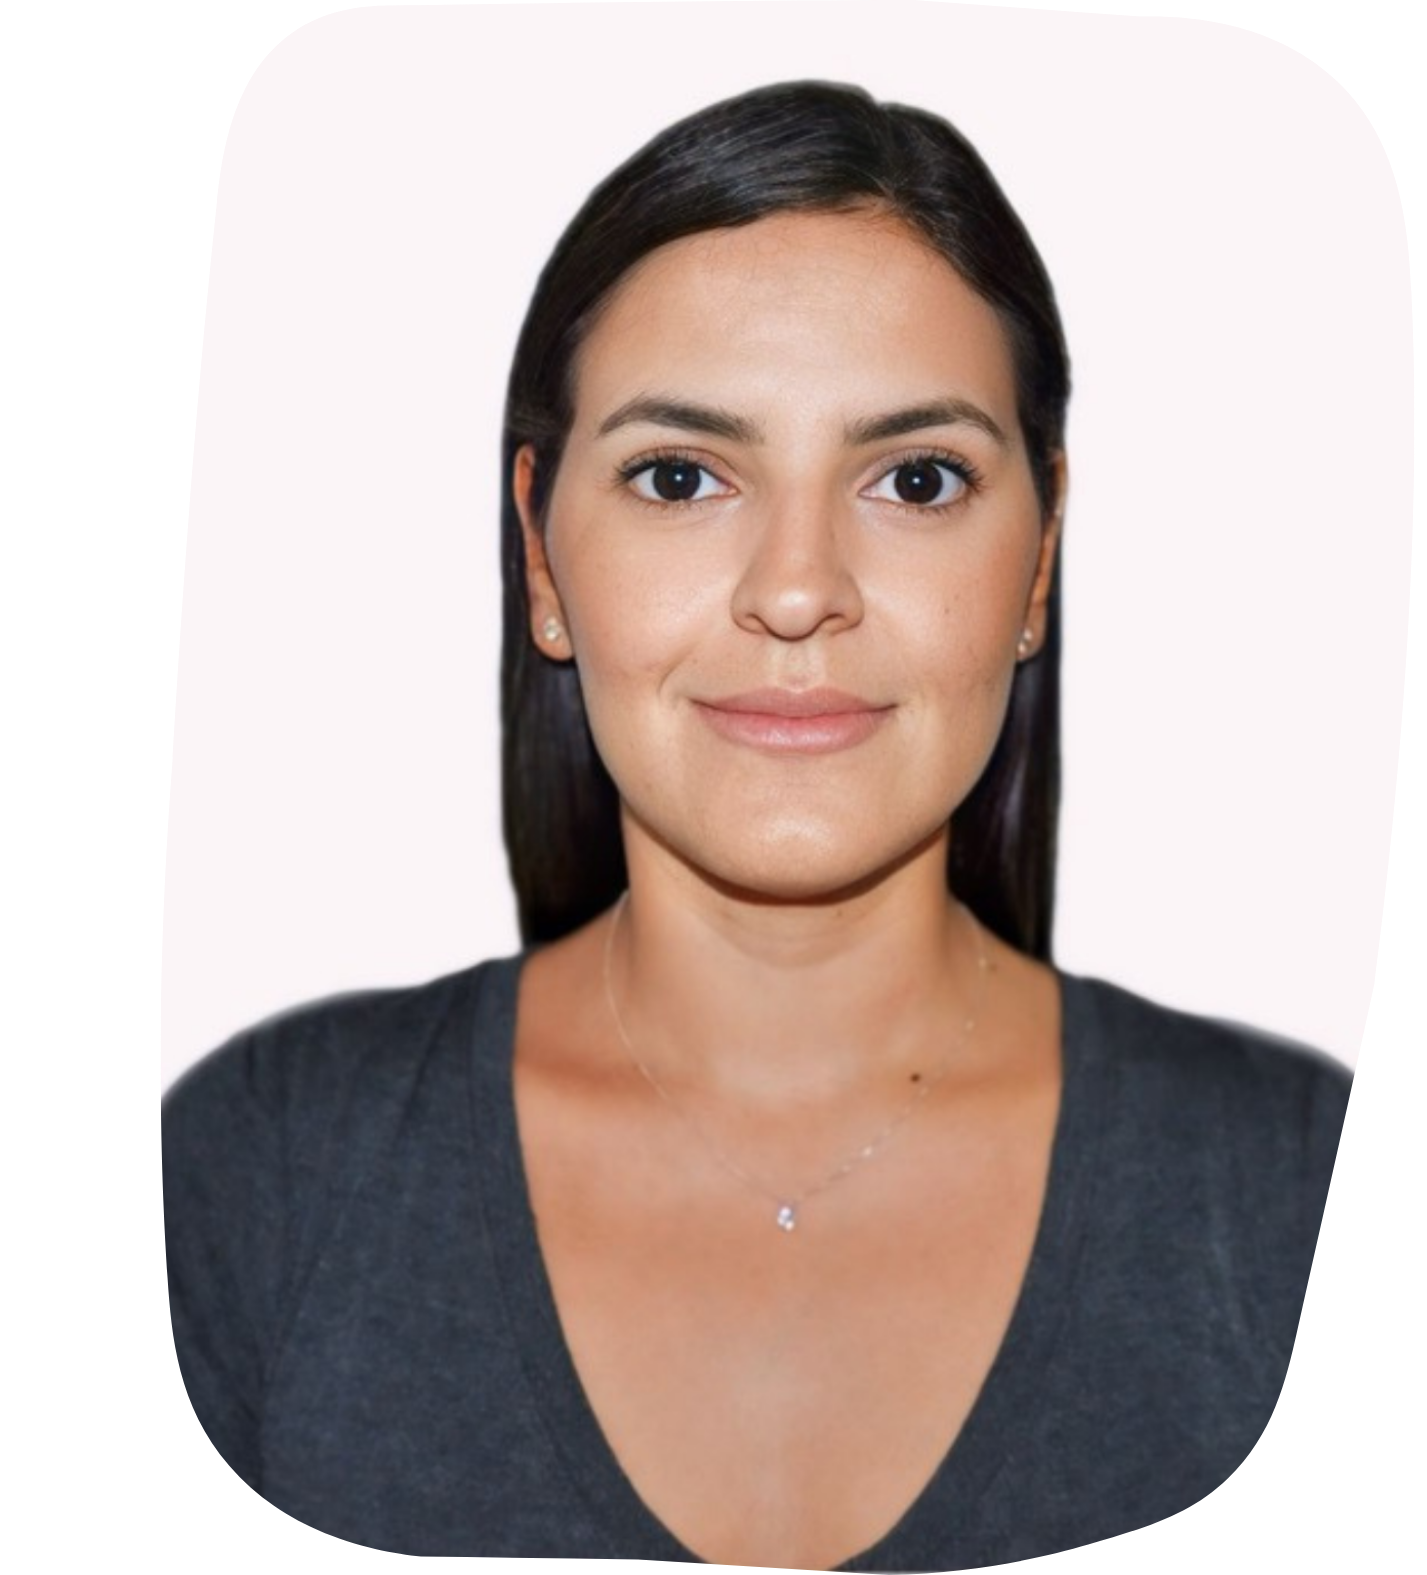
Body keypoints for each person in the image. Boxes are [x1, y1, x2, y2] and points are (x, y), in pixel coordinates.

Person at [162, 80, 1351, 1567]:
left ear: (1040, 555)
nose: (796, 589)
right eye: (681, 476)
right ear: (541, 553)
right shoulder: (265, 1172)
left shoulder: (1291, 1185)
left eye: (915, 479)